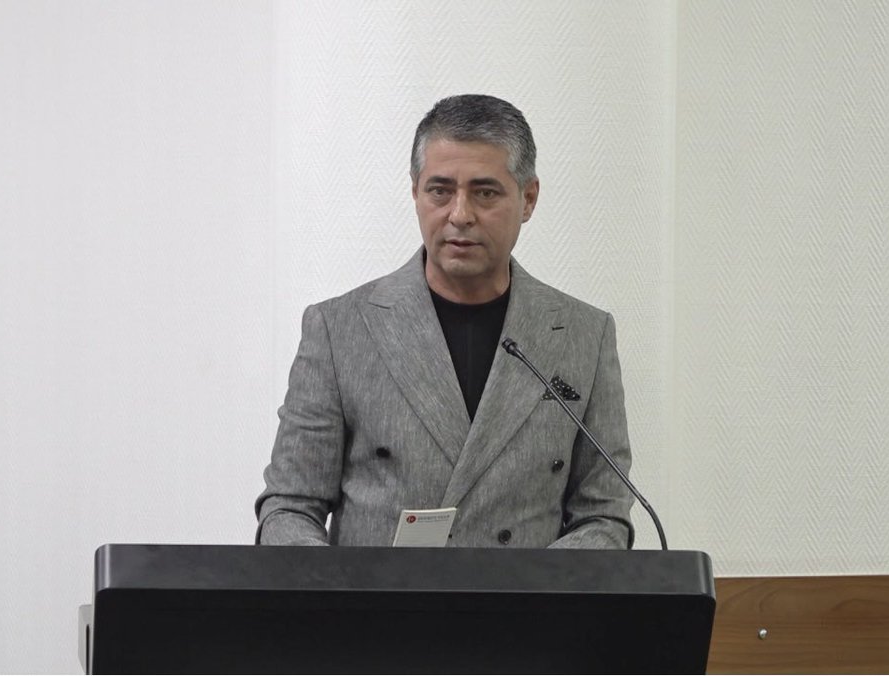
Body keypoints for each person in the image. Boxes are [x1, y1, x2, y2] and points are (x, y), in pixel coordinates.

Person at [255, 94, 634, 549]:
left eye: (485, 192)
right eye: (440, 190)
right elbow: (290, 507)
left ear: (528, 198)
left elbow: (604, 514)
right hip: (377, 596)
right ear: (415, 192)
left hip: (527, 596)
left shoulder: (584, 335)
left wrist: (535, 585)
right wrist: (339, 586)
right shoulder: (339, 330)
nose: (460, 215)